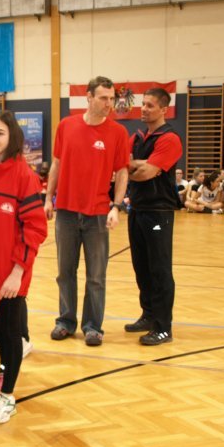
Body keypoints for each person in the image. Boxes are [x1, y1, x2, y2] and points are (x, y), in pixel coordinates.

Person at [44, 76, 129, 347]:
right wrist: (48, 198)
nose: (109, 103)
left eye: (112, 98)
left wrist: (117, 206)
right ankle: (65, 321)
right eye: (104, 98)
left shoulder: (118, 133)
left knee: (96, 276)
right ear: (89, 98)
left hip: (98, 214)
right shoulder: (66, 126)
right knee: (65, 272)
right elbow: (56, 164)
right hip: (66, 212)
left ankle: (92, 326)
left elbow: (122, 172)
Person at [0, 111, 47, 422]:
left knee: (8, 336)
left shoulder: (24, 176)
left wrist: (18, 273)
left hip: (10, 276)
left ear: (12, 136)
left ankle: (7, 394)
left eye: (0, 133)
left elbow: (35, 228)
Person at [125, 88, 183, 346]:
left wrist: (138, 166)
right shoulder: (136, 137)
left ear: (163, 109)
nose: (144, 109)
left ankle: (162, 327)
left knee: (159, 269)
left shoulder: (170, 139)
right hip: (137, 209)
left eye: (150, 105)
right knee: (141, 267)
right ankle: (148, 315)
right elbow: (125, 165)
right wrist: (139, 165)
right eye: (143, 104)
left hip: (159, 211)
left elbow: (146, 172)